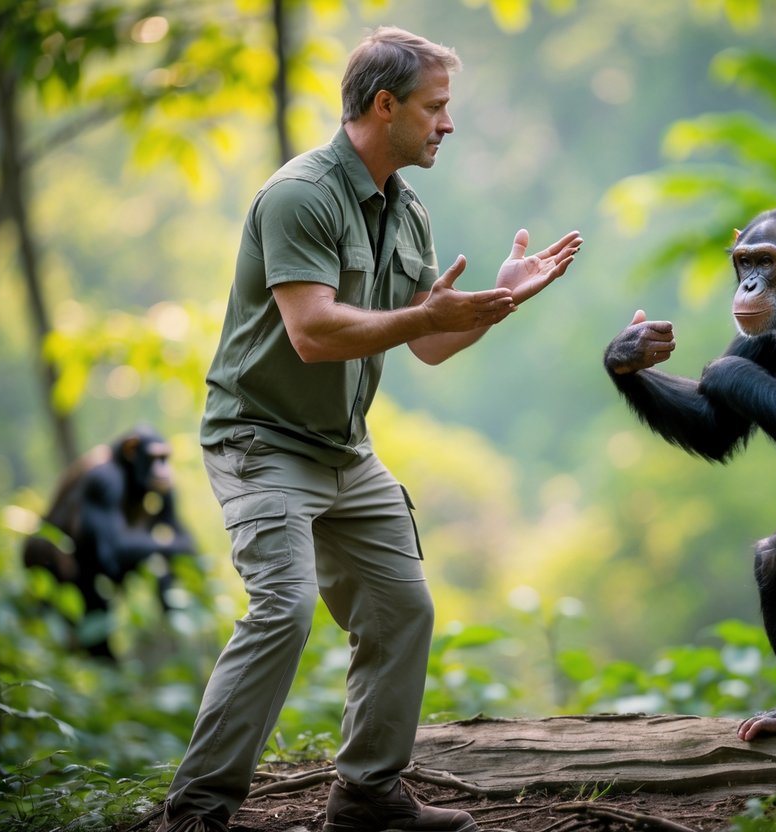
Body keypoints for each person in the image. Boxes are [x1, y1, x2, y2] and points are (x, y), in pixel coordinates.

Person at [159, 26, 582, 832]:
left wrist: (501, 300)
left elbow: (426, 342)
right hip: (261, 440)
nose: (446, 124)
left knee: (402, 607)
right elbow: (313, 333)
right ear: (383, 106)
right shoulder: (299, 194)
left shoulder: (406, 209)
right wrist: (424, 311)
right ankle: (199, 811)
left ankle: (366, 799)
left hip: (344, 452)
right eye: (436, 107)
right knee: (281, 609)